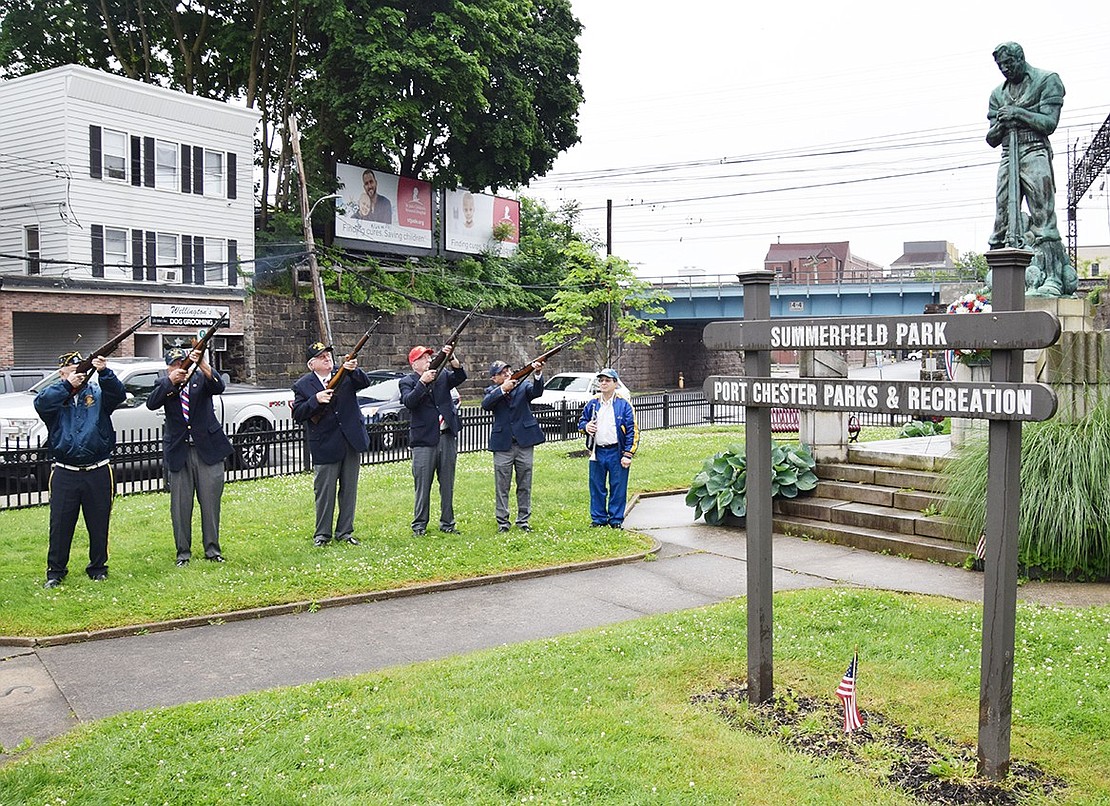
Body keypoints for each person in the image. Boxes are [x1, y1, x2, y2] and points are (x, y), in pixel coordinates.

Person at [986, 42, 1076, 297]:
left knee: (1042, 214)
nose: (1005, 69)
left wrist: (1018, 114)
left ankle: (1052, 279)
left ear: (1020, 58)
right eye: (1000, 66)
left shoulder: (1047, 80)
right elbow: (991, 138)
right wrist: (1002, 124)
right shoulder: (997, 93)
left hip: (1034, 149)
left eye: (1009, 63)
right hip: (1008, 152)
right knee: (1002, 215)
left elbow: (1048, 123)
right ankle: (998, 281)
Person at [34, 351, 126, 588]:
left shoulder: (97, 392)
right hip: (65, 471)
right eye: (72, 370)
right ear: (62, 373)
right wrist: (66, 387)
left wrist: (105, 373)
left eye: (81, 370)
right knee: (60, 524)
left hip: (98, 469)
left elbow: (118, 394)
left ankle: (98, 567)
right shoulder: (55, 396)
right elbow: (40, 403)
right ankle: (55, 571)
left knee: (98, 521)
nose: (78, 374)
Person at [146, 346, 234, 566]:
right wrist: (170, 382)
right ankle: (182, 552)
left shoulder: (200, 378)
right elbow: (151, 403)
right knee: (180, 506)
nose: (179, 368)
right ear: (168, 367)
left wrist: (203, 364)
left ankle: (212, 549)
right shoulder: (163, 384)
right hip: (179, 451)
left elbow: (219, 387)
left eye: (181, 363)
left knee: (211, 503)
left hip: (207, 449)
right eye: (174, 364)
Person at [292, 341, 371, 547]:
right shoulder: (303, 385)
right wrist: (315, 400)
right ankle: (322, 534)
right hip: (325, 443)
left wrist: (353, 369)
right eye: (322, 357)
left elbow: (365, 382)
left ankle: (345, 532)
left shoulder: (344, 374)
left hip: (350, 440)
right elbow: (298, 414)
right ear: (312, 364)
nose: (327, 359)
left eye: (328, 355)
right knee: (324, 492)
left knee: (349, 490)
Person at [400, 344, 467, 536]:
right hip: (423, 440)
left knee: (447, 484)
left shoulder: (443, 375)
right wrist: (422, 383)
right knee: (422, 486)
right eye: (424, 358)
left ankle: (448, 523)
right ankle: (419, 525)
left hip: (446, 436)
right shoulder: (408, 381)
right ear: (414, 364)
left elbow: (460, 377)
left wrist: (452, 359)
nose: (429, 360)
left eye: (430, 357)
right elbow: (409, 402)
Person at [481, 359, 546, 532]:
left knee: (525, 483)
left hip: (524, 442)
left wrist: (538, 374)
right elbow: (486, 404)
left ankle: (523, 520)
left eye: (509, 371)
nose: (508, 374)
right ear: (495, 379)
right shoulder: (492, 391)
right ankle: (503, 522)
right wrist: (503, 389)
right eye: (503, 373)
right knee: (502, 485)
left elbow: (537, 392)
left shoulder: (523, 387)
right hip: (503, 444)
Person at [578, 368, 638, 529]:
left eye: (607, 381)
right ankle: (598, 519)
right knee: (596, 486)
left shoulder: (623, 405)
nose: (603, 383)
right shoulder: (593, 403)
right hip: (597, 451)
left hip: (616, 452)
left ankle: (615, 519)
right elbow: (582, 421)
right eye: (601, 380)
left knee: (618, 486)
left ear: (615, 384)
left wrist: (628, 454)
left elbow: (632, 430)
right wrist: (586, 426)